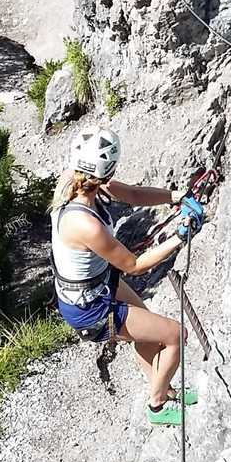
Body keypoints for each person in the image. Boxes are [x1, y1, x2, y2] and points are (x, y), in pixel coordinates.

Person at [51, 126, 206, 426]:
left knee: (150, 333)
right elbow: (134, 266)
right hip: (91, 308)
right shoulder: (86, 224)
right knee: (175, 335)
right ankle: (157, 405)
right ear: (105, 169)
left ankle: (164, 387)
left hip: (94, 288)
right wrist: (180, 236)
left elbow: (133, 194)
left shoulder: (79, 181)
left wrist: (175, 196)